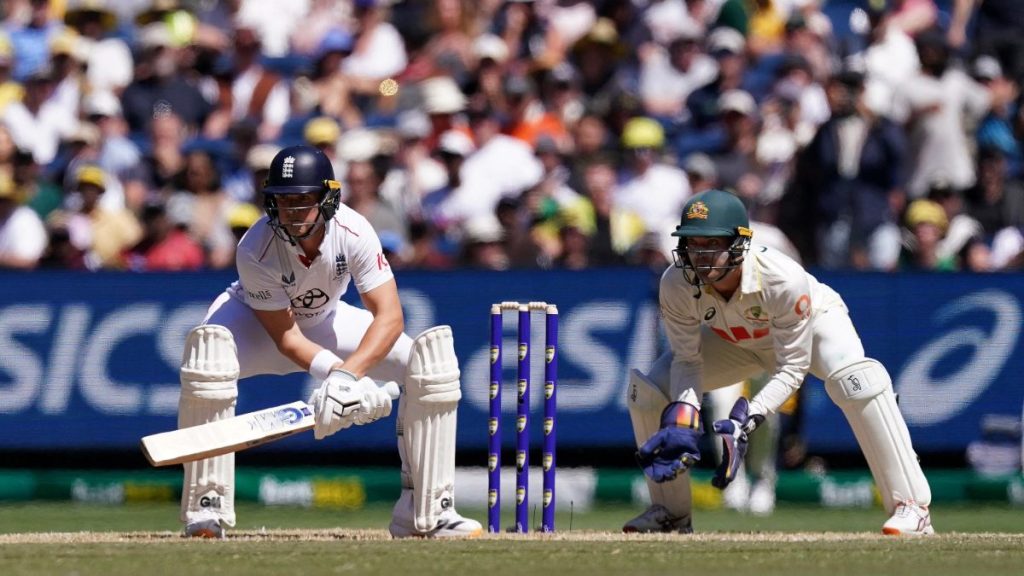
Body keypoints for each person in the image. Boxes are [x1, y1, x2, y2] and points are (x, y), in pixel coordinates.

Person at [177, 144, 481, 539]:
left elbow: (388, 316)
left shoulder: (354, 231)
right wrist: (339, 377)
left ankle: (426, 513)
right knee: (209, 356)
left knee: (426, 363)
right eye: (283, 201)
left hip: (326, 322)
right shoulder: (255, 247)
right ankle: (207, 508)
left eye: (303, 201)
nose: (292, 212)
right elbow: (286, 337)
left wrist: (349, 377)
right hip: (254, 326)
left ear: (327, 199)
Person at [624, 188, 933, 535]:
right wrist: (683, 416)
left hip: (813, 327)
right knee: (648, 391)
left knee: (856, 381)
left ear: (739, 244)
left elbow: (792, 367)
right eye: (692, 244)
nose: (700, 256)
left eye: (710, 244)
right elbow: (687, 360)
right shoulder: (675, 282)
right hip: (737, 341)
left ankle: (912, 507)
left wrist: (748, 418)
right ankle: (670, 514)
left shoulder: (783, 278)